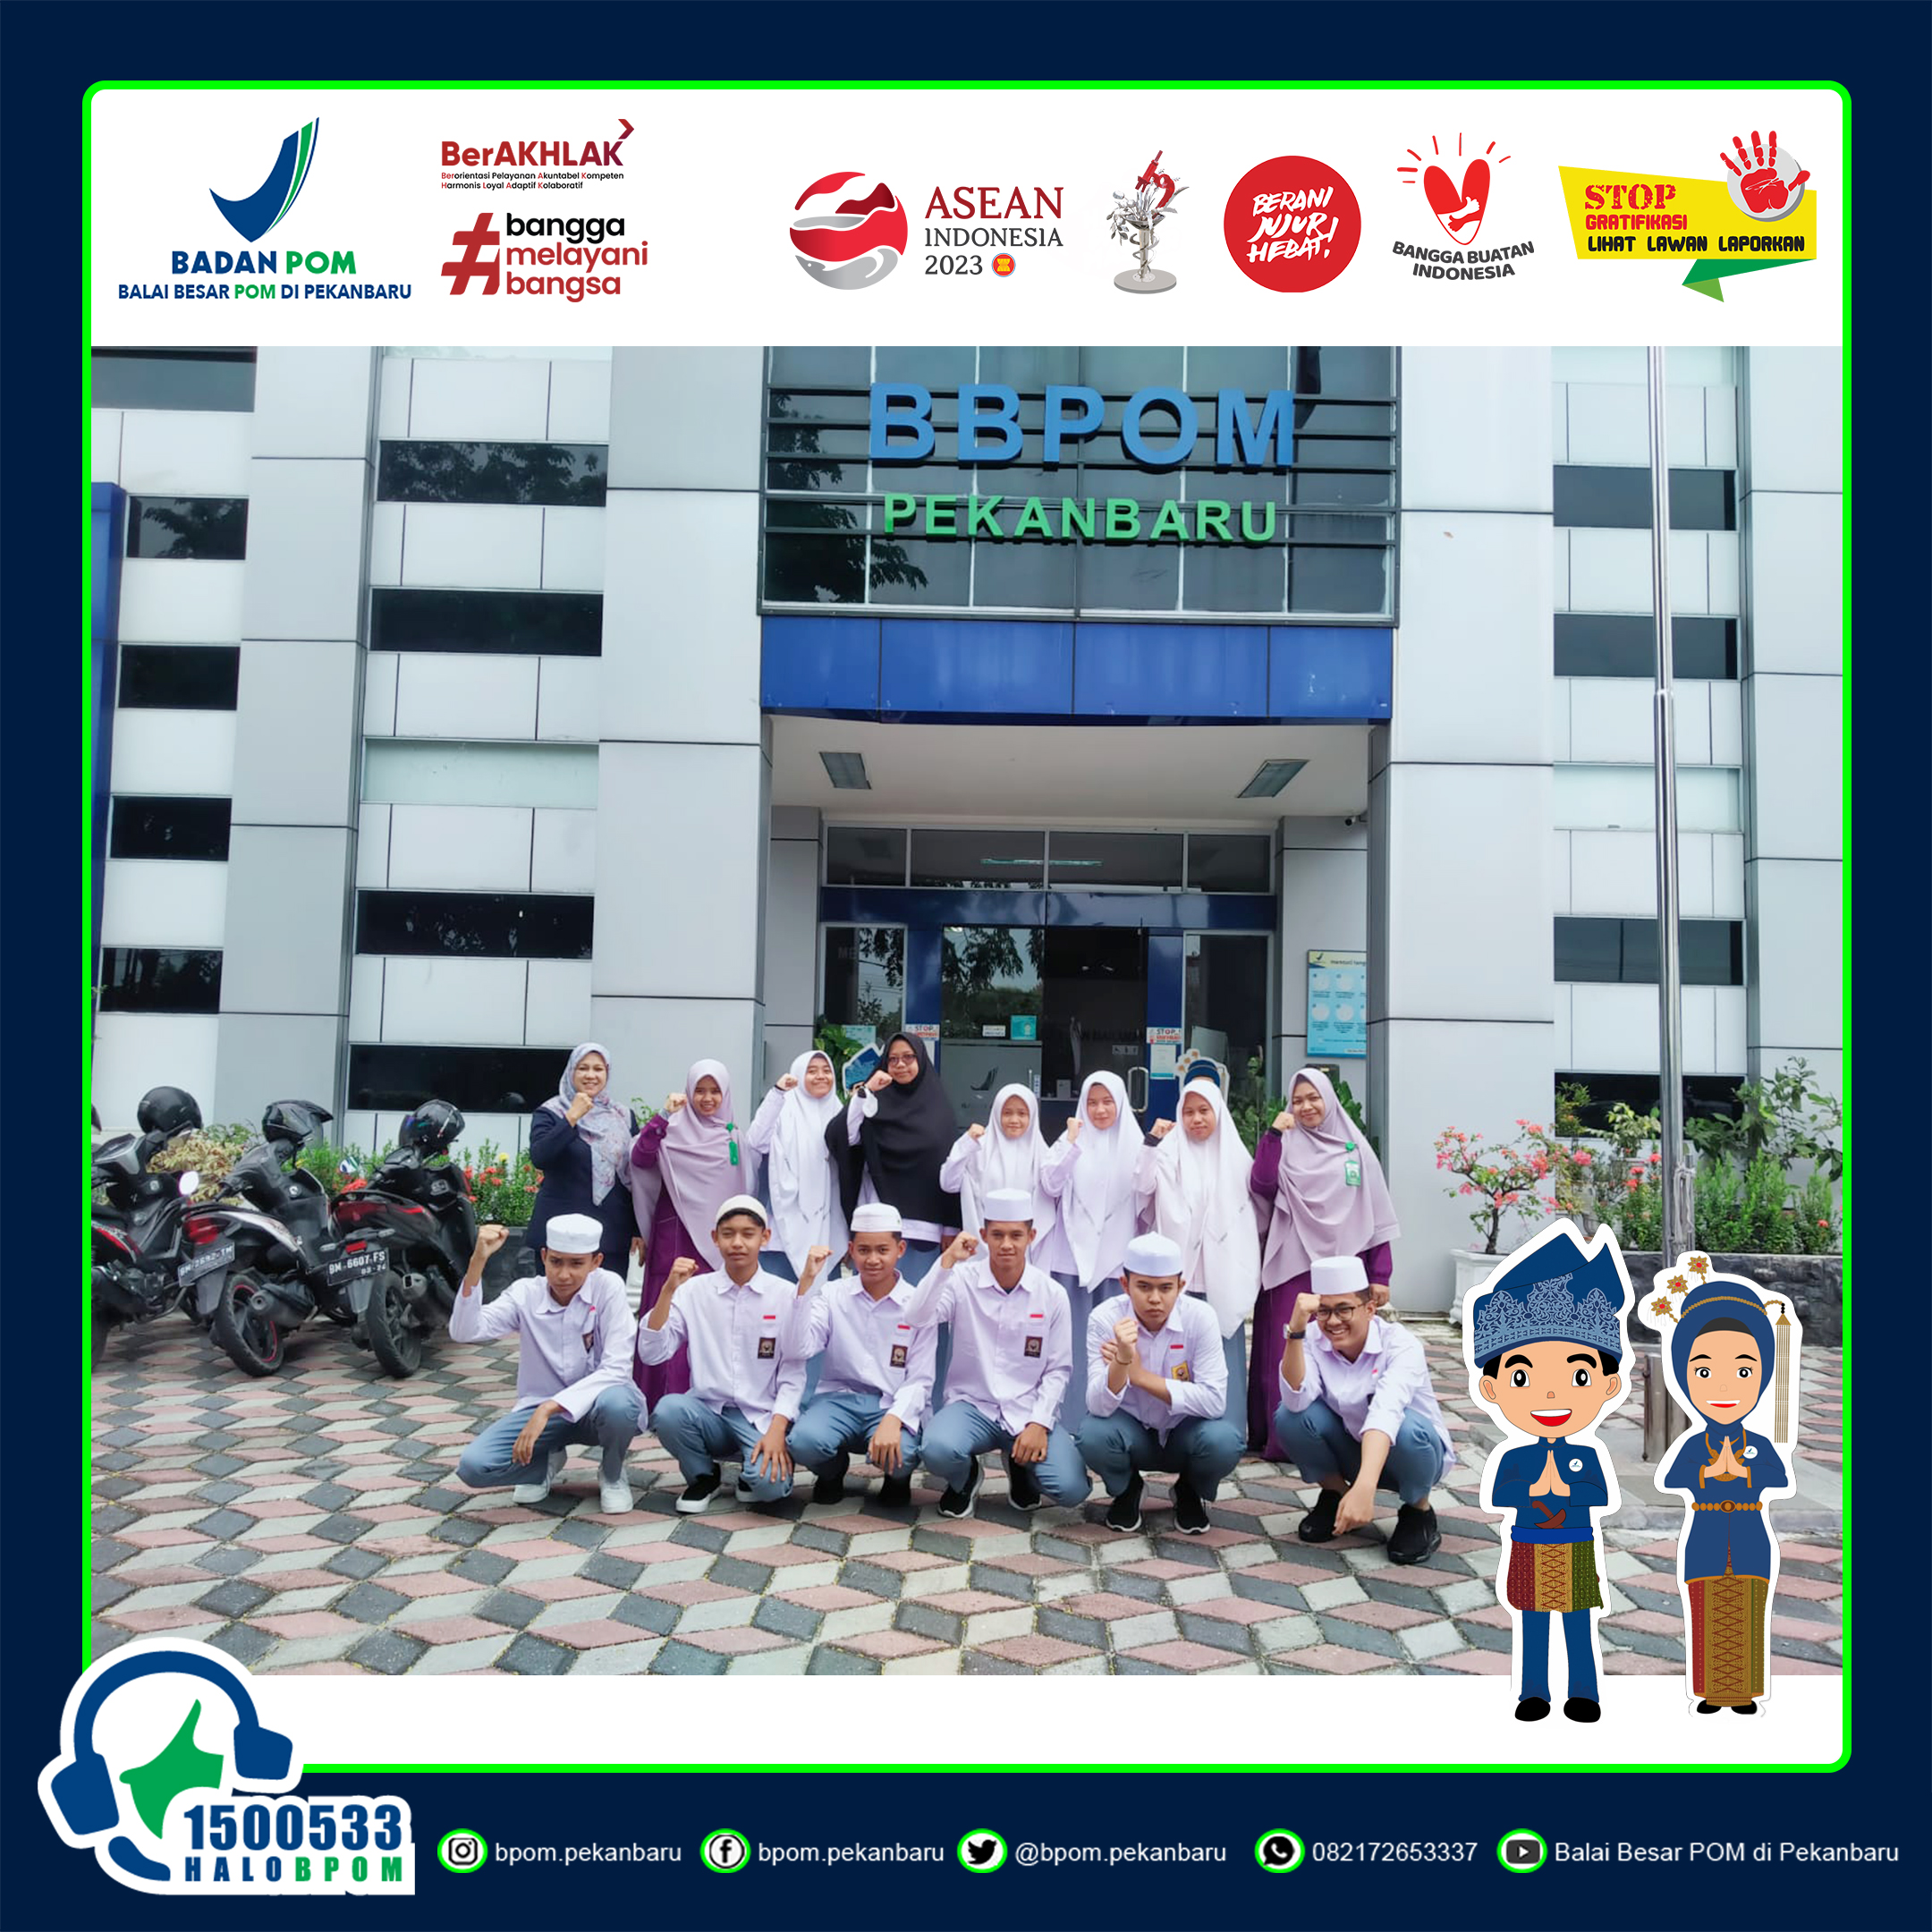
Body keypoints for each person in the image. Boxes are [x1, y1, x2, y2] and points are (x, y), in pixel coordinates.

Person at [1468, 1226, 1632, 1723]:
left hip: (1576, 1543)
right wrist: (1534, 1489)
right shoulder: (1515, 1457)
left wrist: (1568, 1489)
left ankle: (1584, 1692)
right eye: (1523, 1377)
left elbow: (1599, 1494)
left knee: (1578, 1621)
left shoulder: (1587, 1453)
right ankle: (1533, 1692)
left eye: (1579, 1376)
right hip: (1529, 1543)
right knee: (1533, 1622)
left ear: (1608, 1385)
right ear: (1492, 1389)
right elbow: (1501, 1494)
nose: (1551, 1396)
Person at [899, 1188, 1089, 1520]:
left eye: (1016, 1235)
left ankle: (1021, 1466)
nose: (1006, 1244)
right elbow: (916, 1316)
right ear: (984, 1236)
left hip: (1026, 1408)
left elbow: (1058, 1370)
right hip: (972, 1406)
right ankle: (965, 1478)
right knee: (937, 1449)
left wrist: (1039, 1423)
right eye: (997, 1235)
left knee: (1071, 1489)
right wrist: (946, 1263)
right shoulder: (961, 1280)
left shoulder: (1051, 1294)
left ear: (1031, 1236)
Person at [1657, 1274, 1794, 1716]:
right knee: (1707, 1613)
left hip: (1751, 1539)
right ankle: (1711, 1692)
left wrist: (1745, 1473)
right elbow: (1673, 1477)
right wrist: (1707, 1472)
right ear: (1684, 1377)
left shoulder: (1759, 1443)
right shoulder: (1695, 1445)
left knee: (1749, 1612)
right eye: (1703, 1372)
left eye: (1743, 1371)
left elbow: (1778, 1477)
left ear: (1762, 1377)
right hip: (1706, 1539)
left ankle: (1745, 1692)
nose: (1723, 1387)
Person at [449, 1215, 644, 1514]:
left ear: (596, 1262)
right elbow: (465, 1332)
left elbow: (616, 1368)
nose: (563, 1274)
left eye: (576, 1263)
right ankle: (542, 1463)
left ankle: (612, 1473)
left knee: (620, 1405)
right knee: (475, 1467)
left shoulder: (609, 1287)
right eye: (555, 1262)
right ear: (543, 1257)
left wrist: (549, 1408)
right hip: (539, 1410)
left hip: (595, 1408)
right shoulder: (525, 1293)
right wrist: (478, 1261)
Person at [1249, 1068, 1400, 1455]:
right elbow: (1261, 1184)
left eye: (1313, 1098)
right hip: (1293, 1263)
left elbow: (1375, 1214)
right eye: (1297, 1100)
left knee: (1343, 1350)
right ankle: (1283, 1440)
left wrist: (1380, 1274)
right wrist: (1273, 1135)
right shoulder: (1285, 1143)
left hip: (1345, 1270)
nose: (1306, 1106)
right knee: (1286, 1347)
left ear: (1328, 1100)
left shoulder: (1356, 1149)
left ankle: (1338, 1436)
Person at [1275, 1254, 1454, 1566]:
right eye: (1324, 1311)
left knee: (1408, 1429)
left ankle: (1418, 1512)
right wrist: (1296, 1332)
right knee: (1290, 1417)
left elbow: (1386, 1412)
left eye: (1344, 1309)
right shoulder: (1312, 1337)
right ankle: (1336, 1496)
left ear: (1370, 1309)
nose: (1333, 1321)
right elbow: (1295, 1400)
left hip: (1411, 1455)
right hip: (1353, 1446)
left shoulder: (1401, 1344)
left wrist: (1365, 1489)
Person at [637, 1195, 804, 1513]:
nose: (737, 1243)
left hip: (760, 1417)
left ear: (765, 1237)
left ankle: (751, 1472)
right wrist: (668, 1290)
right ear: (715, 1238)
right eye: (728, 1234)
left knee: (770, 1489)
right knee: (669, 1410)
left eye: (748, 1234)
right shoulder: (694, 1291)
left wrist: (777, 1430)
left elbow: (793, 1373)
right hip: (708, 1412)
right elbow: (652, 1352)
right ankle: (703, 1476)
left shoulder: (784, 1295)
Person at [1078, 1231, 1246, 1536]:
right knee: (1093, 1434)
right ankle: (1128, 1489)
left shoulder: (1201, 1317)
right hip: (1132, 1432)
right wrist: (1122, 1362)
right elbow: (1097, 1406)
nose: (1155, 1298)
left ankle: (1189, 1490)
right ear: (1125, 1285)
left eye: (1166, 1288)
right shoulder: (1105, 1318)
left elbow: (1214, 1401)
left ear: (1181, 1286)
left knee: (1225, 1440)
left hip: (1184, 1432)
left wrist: (1140, 1377)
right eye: (1144, 1287)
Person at [781, 1203, 936, 1508]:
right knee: (803, 1442)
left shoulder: (917, 1303)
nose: (873, 1259)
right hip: (837, 1399)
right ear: (851, 1250)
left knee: (903, 1453)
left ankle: (897, 1479)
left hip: (890, 1402)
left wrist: (894, 1419)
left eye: (882, 1250)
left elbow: (920, 1378)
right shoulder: (832, 1294)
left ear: (900, 1249)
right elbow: (800, 1348)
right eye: (864, 1250)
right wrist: (805, 1287)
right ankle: (831, 1472)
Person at [628, 1059, 757, 1411]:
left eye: (715, 1091)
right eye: (700, 1090)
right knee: (667, 1310)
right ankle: (659, 1399)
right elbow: (640, 1159)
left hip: (716, 1244)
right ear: (688, 1091)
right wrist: (661, 1117)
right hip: (676, 1237)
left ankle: (708, 1396)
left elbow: (745, 1188)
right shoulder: (670, 1129)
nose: (707, 1098)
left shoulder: (733, 1137)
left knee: (708, 1316)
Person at [1143, 1077, 1264, 1428]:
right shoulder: (1168, 1152)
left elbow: (1252, 1213)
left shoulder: (1237, 1158)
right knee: (1178, 1346)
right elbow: (1143, 1187)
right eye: (1189, 1112)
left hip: (1220, 1272)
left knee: (1221, 1347)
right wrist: (1151, 1145)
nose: (1196, 1119)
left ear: (1218, 1113)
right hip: (1181, 1271)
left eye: (1204, 1111)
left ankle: (1227, 1426)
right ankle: (1174, 1424)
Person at [1034, 1071, 1143, 1441]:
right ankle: (1068, 1417)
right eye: (1092, 1102)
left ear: (1121, 1104)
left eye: (1107, 1102)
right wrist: (1071, 1142)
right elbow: (1049, 1183)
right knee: (1073, 1342)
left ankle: (1115, 1416)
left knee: (1114, 1342)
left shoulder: (1136, 1144)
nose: (1100, 1110)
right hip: (1072, 1260)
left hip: (1117, 1263)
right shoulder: (1070, 1141)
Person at [826, 1031, 962, 1286]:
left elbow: (950, 1171)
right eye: (893, 1059)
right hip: (878, 1223)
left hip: (924, 1227)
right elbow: (841, 1137)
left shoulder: (938, 1108)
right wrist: (866, 1091)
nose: (900, 1065)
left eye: (908, 1057)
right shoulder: (873, 1101)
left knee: (919, 1299)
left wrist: (951, 1226)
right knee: (871, 1298)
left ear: (920, 1060)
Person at [525, 1044, 640, 1275]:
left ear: (607, 1073)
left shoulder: (623, 1116)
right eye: (583, 1068)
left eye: (598, 1069)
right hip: (560, 1236)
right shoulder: (551, 1112)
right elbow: (541, 1157)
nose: (590, 1075)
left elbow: (635, 1175)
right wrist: (571, 1118)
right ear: (571, 1071)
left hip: (610, 1235)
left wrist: (638, 1229)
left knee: (605, 1297)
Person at [745, 1049, 847, 1282]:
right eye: (812, 1071)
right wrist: (777, 1094)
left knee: (821, 1298)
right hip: (783, 1228)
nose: (820, 1076)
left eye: (826, 1071)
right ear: (799, 1075)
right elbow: (756, 1141)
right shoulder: (784, 1108)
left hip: (826, 1228)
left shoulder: (837, 1111)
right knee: (779, 1297)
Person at [942, 1082, 1057, 1248]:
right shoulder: (978, 1149)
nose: (1014, 1120)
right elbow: (949, 1184)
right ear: (996, 1113)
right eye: (1007, 1113)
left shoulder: (1043, 1155)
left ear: (1032, 1116)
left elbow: (1054, 1192)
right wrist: (965, 1144)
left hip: (1029, 1251)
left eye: (1022, 1113)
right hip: (984, 1246)